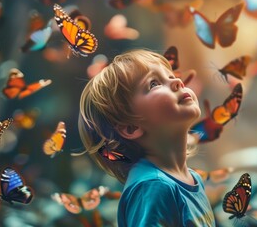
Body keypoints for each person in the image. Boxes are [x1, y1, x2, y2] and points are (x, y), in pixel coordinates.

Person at [79, 49, 215, 226]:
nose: (177, 81)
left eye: (171, 75)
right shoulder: (154, 186)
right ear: (131, 127)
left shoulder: (192, 178)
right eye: (154, 84)